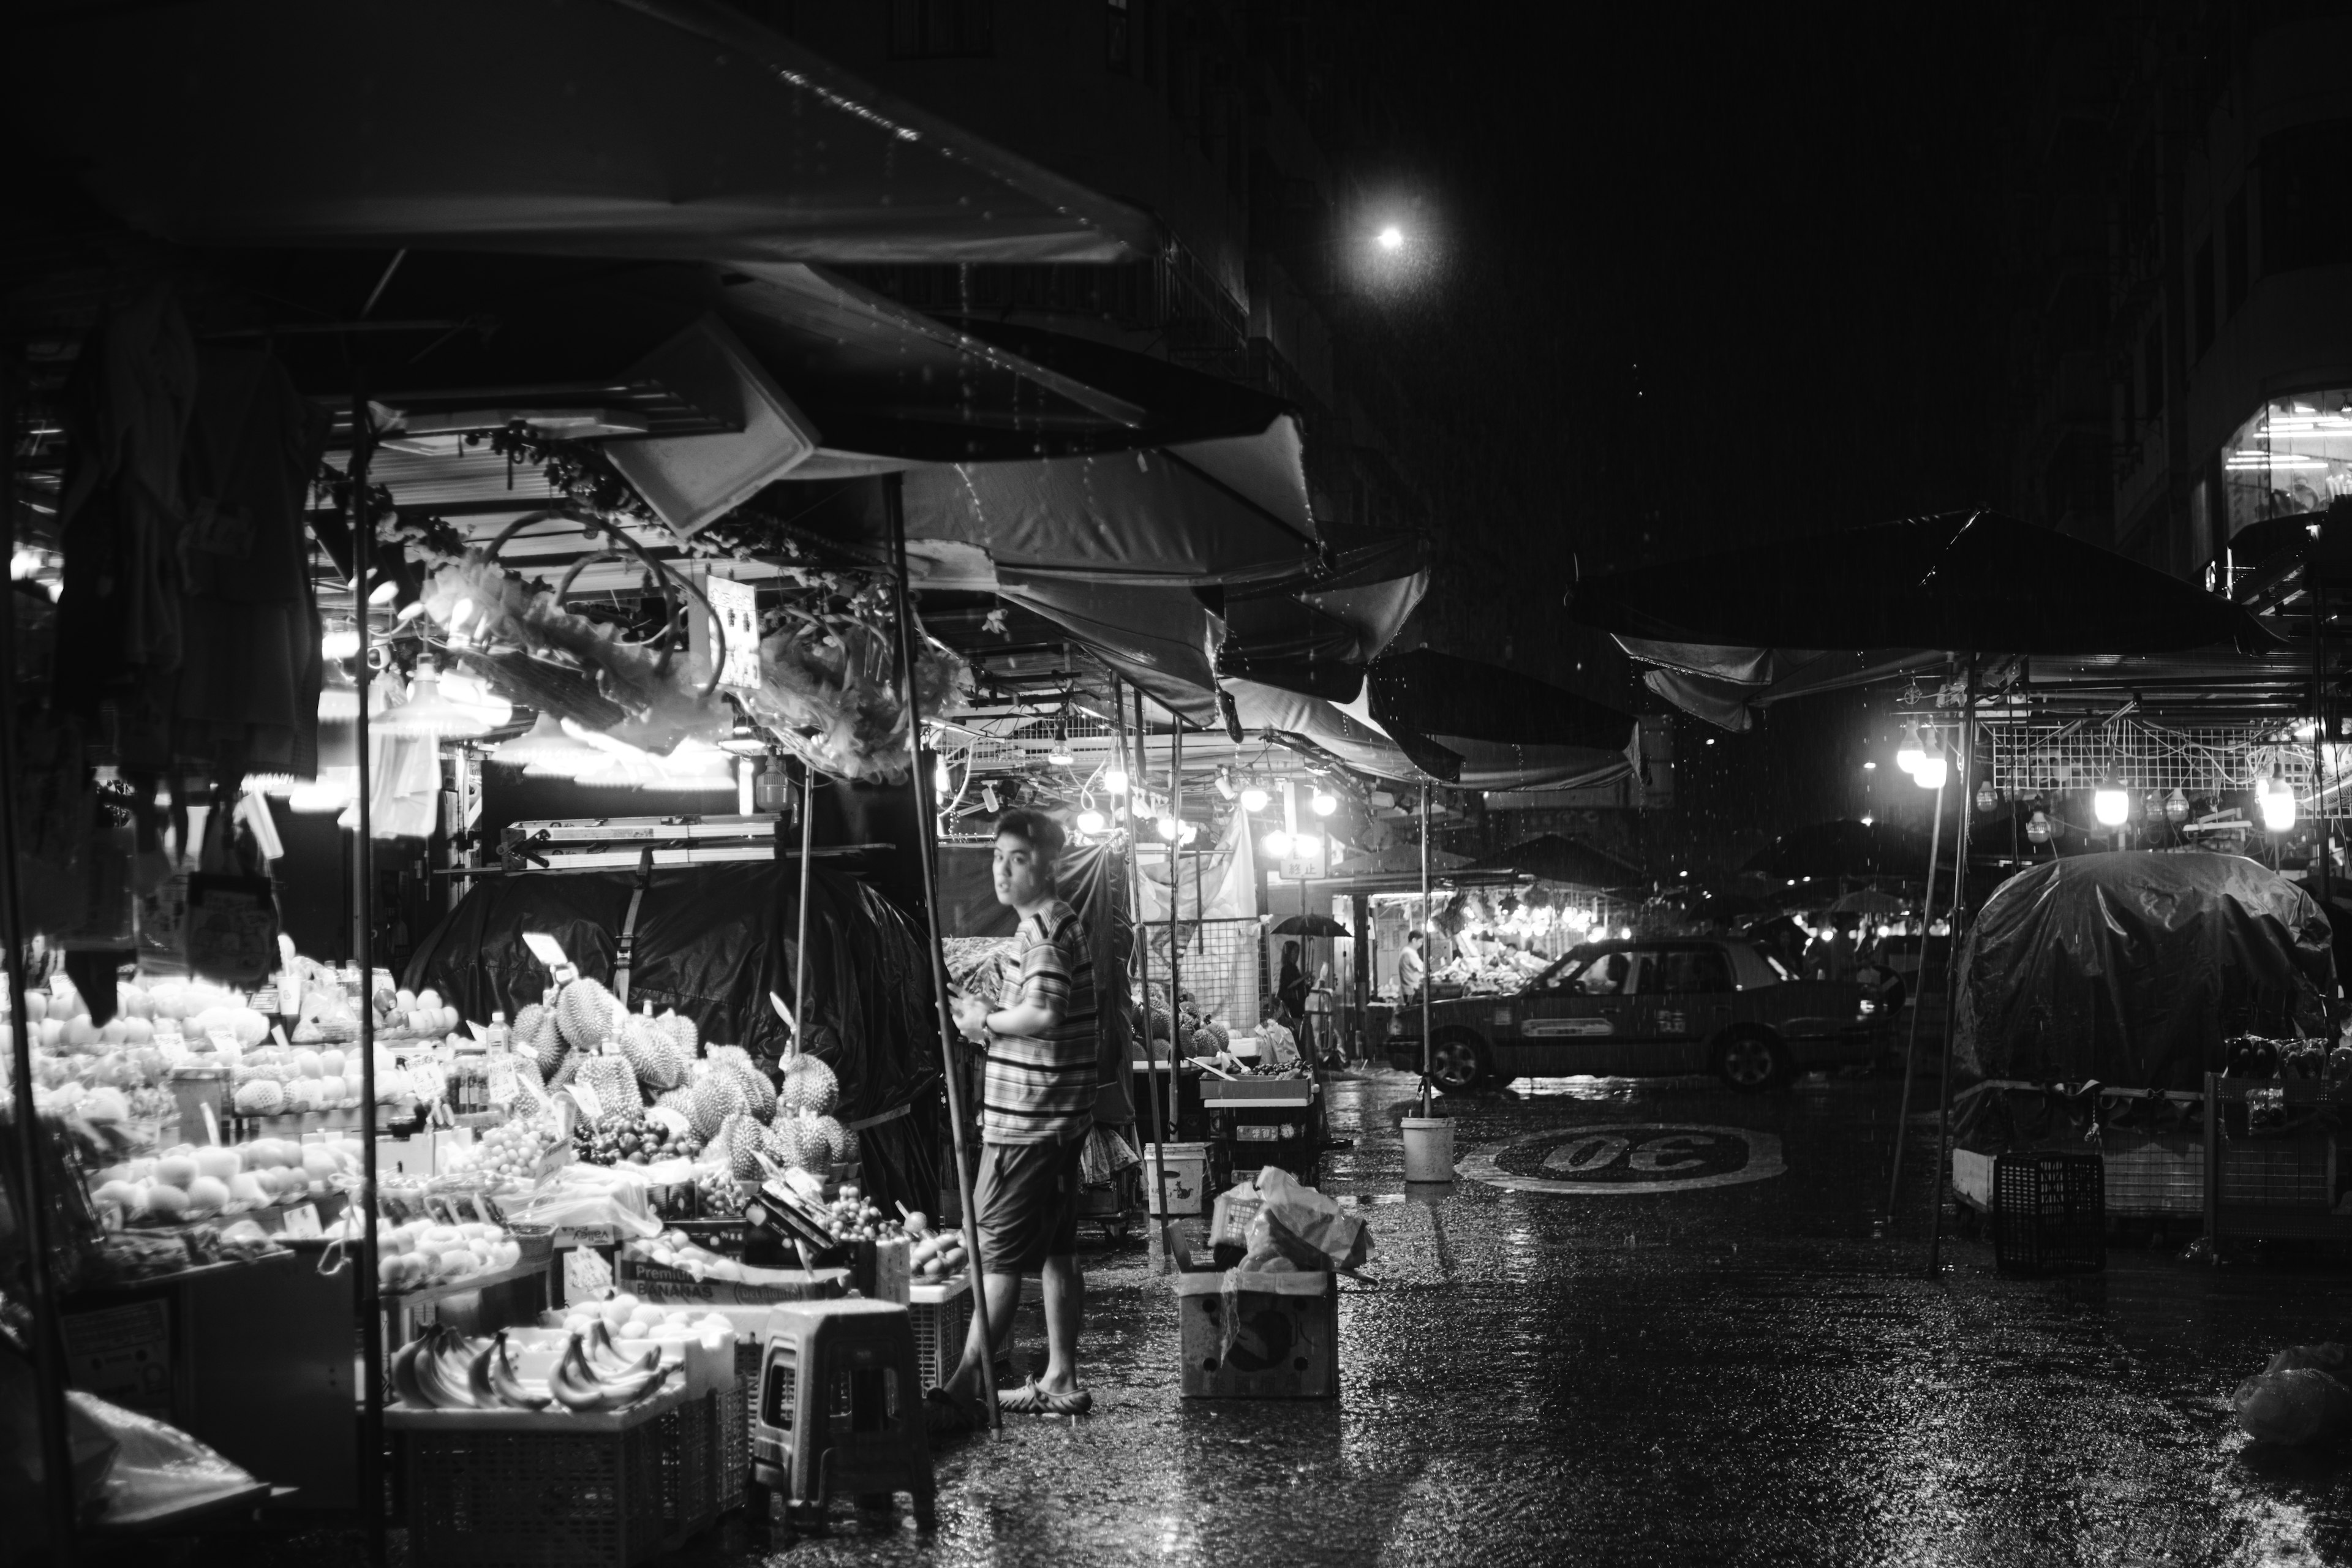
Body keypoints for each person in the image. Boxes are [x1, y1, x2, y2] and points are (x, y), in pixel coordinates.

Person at [934, 809, 1098, 1427]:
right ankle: (1061, 1376)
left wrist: (985, 1024)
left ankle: (962, 1389)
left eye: (1018, 858)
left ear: (1049, 865)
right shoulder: (1055, 925)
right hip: (1058, 1116)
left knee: (994, 1250)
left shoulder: (1045, 934)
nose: (1002, 869)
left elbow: (1043, 1012)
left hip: (1027, 1119)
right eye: (999, 857)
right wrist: (987, 1013)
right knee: (1057, 1246)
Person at [1396, 930, 1428, 1000]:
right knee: (1410, 1008)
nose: (1421, 944)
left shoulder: (1410, 951)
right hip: (1411, 990)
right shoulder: (1409, 953)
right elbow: (1422, 969)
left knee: (1410, 1008)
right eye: (1420, 942)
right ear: (1414, 940)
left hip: (1410, 988)